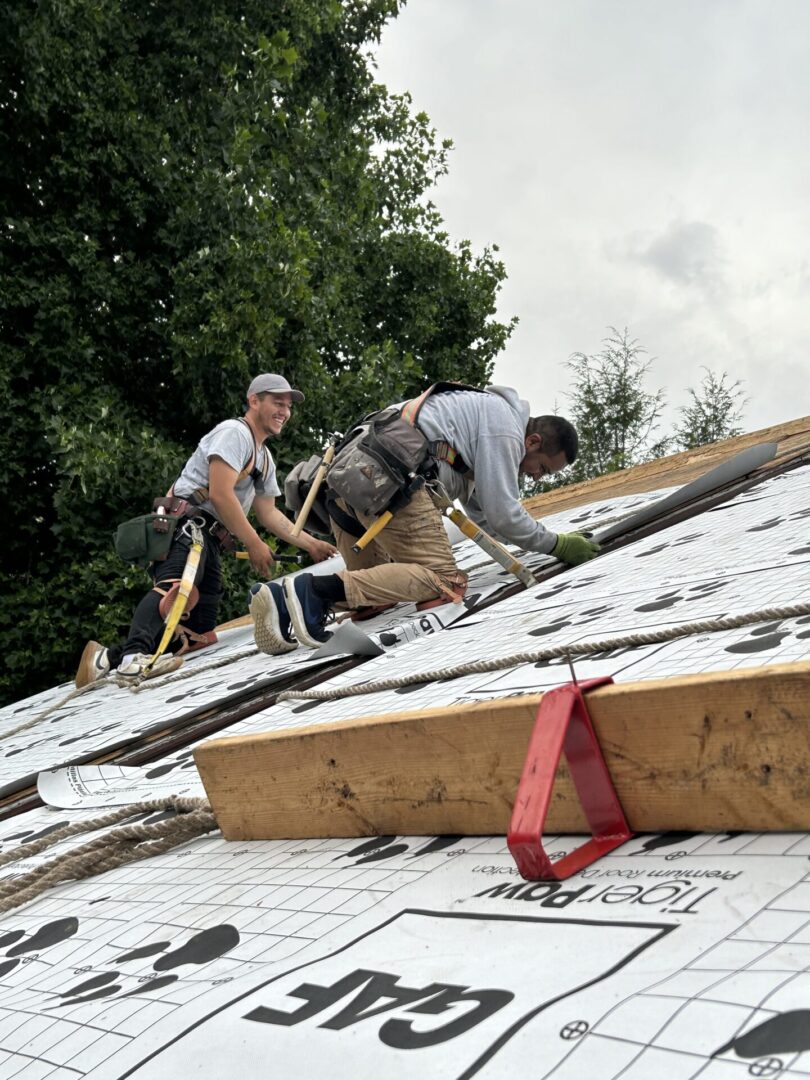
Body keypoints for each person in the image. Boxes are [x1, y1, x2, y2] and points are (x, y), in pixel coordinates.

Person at [250, 383, 599, 654]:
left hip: (347, 486)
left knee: (376, 594)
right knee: (444, 581)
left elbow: (486, 518)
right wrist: (558, 545)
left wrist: (541, 542)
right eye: (542, 468)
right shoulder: (505, 430)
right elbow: (505, 514)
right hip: (392, 483)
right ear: (533, 441)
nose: (536, 477)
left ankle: (282, 600)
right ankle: (313, 589)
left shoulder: (478, 416)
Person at [75, 373, 336, 686]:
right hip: (188, 525)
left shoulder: (264, 459)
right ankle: (131, 660)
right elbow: (220, 494)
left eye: (288, 406)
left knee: (198, 633)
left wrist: (312, 545)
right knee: (175, 591)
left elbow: (269, 514)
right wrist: (253, 543)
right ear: (254, 401)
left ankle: (106, 658)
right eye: (277, 402)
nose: (285, 411)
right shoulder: (234, 433)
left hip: (209, 538)